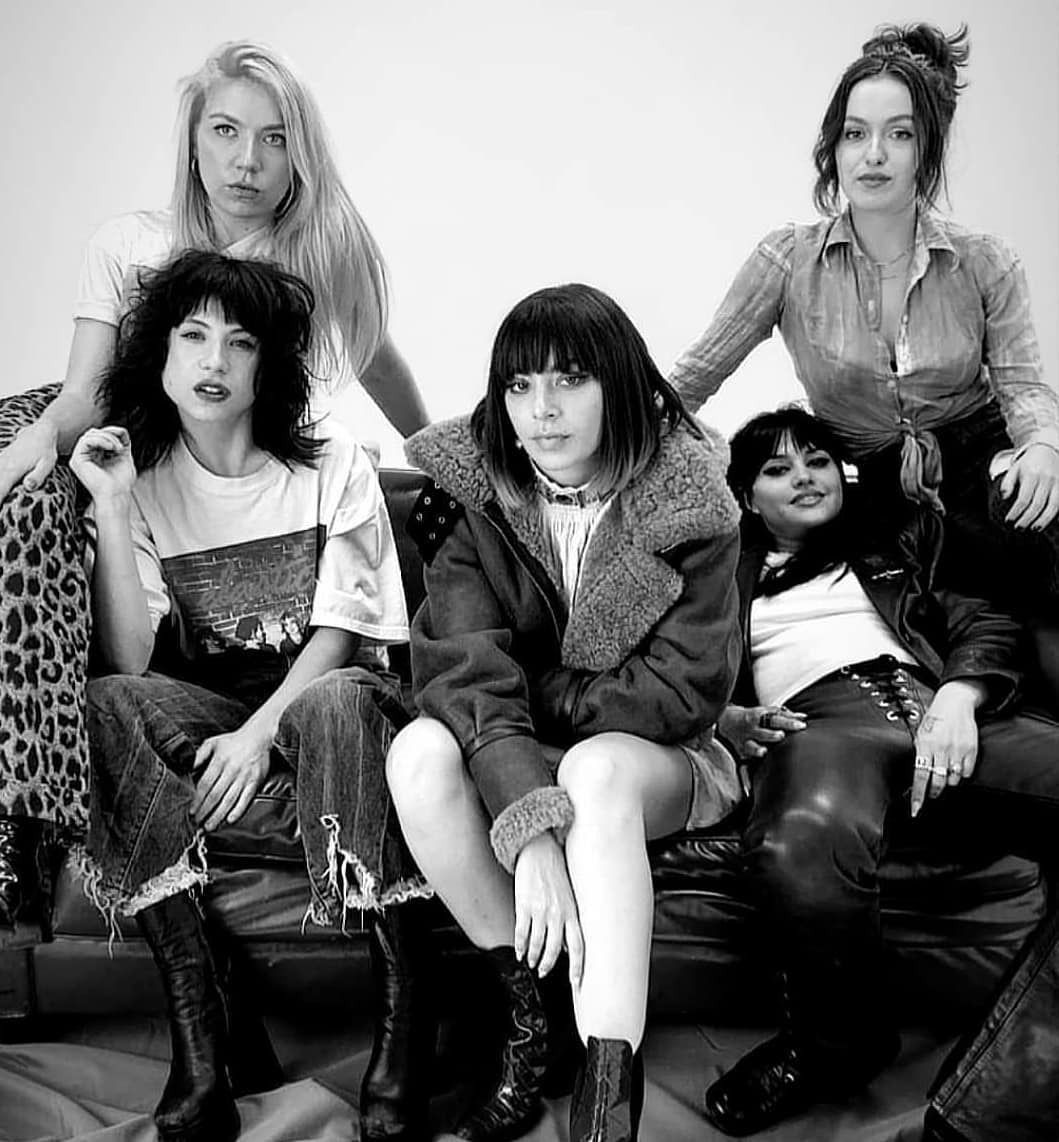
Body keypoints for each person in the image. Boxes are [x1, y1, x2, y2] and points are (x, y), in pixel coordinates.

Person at [0, 39, 429, 929]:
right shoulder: (132, 245)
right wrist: (41, 450)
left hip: (278, 480)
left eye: (274, 139)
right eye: (226, 132)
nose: (247, 160)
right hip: (149, 469)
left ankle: (387, 969)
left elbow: (375, 351)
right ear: (191, 141)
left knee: (341, 698)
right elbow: (81, 395)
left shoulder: (322, 250)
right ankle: (167, 961)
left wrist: (432, 447)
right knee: (97, 664)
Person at [69, 251, 428, 1142]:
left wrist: (262, 734)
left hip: (332, 692)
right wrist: (113, 509)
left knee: (337, 698)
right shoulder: (142, 478)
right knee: (108, 702)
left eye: (238, 342)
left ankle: (403, 1027)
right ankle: (204, 1036)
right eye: (192, 336)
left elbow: (345, 629)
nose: (213, 361)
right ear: (158, 355)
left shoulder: (333, 461)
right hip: (216, 702)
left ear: (267, 364)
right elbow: (129, 655)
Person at [387, 283, 743, 1141]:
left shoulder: (691, 502)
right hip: (519, 752)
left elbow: (680, 689)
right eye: (518, 386)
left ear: (618, 385)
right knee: (419, 754)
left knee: (593, 768)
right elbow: (465, 672)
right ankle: (529, 1016)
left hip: (659, 758)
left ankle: (609, 1089)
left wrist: (543, 698)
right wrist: (530, 825)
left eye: (568, 380)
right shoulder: (474, 496)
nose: (540, 412)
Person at [668, 22, 1059, 697]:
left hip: (977, 462)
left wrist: (1043, 446)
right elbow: (690, 380)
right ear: (832, 147)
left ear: (924, 151)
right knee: (915, 593)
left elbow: (1023, 387)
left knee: (1029, 513)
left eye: (898, 134)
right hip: (872, 487)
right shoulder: (786, 261)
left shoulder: (983, 260)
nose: (872, 154)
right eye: (854, 133)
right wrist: (606, 443)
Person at [703, 405, 1059, 1138]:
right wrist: (722, 722)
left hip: (944, 709)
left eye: (817, 460)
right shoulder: (713, 570)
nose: (804, 478)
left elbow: (979, 621)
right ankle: (834, 1047)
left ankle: (992, 1103)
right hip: (821, 726)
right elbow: (669, 672)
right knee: (798, 838)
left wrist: (960, 696)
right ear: (745, 497)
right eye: (777, 469)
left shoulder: (899, 537)